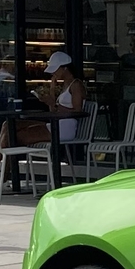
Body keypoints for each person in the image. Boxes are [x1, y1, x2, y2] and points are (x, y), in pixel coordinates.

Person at [44, 49, 89, 185]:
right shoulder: (64, 85)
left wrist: (55, 106)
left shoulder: (76, 85)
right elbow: (54, 110)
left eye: (55, 70)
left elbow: (77, 110)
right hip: (58, 124)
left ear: (64, 68)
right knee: (10, 128)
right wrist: (51, 91)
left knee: (17, 135)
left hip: (65, 127)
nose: (53, 73)